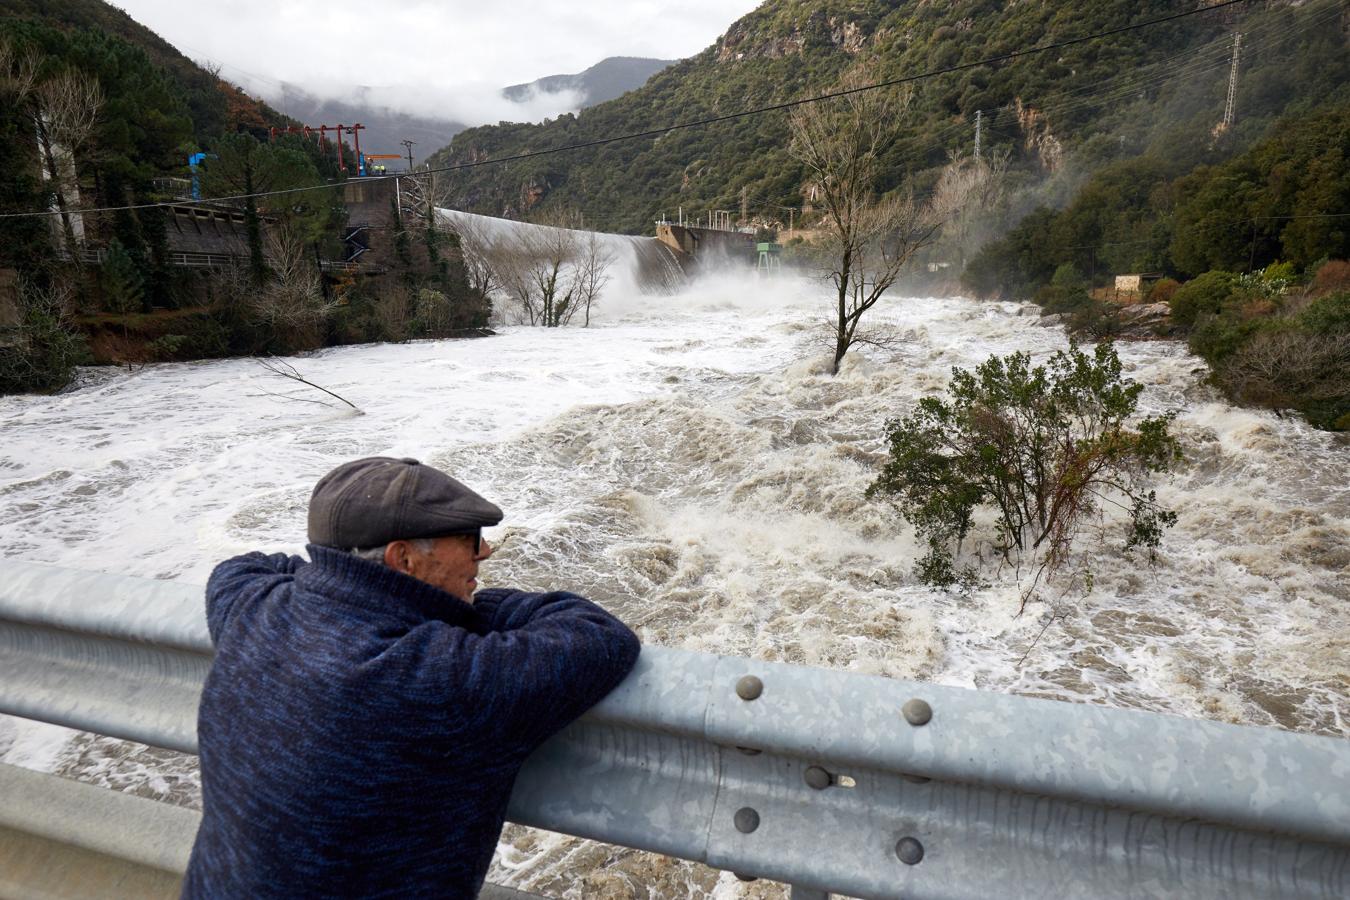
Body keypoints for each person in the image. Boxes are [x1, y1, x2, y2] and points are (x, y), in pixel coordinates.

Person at [183, 456, 640, 899]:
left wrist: (340, 580)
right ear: (403, 560)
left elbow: (247, 565)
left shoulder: (249, 607)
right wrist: (461, 609)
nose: (485, 551)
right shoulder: (434, 678)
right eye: (468, 538)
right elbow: (598, 636)